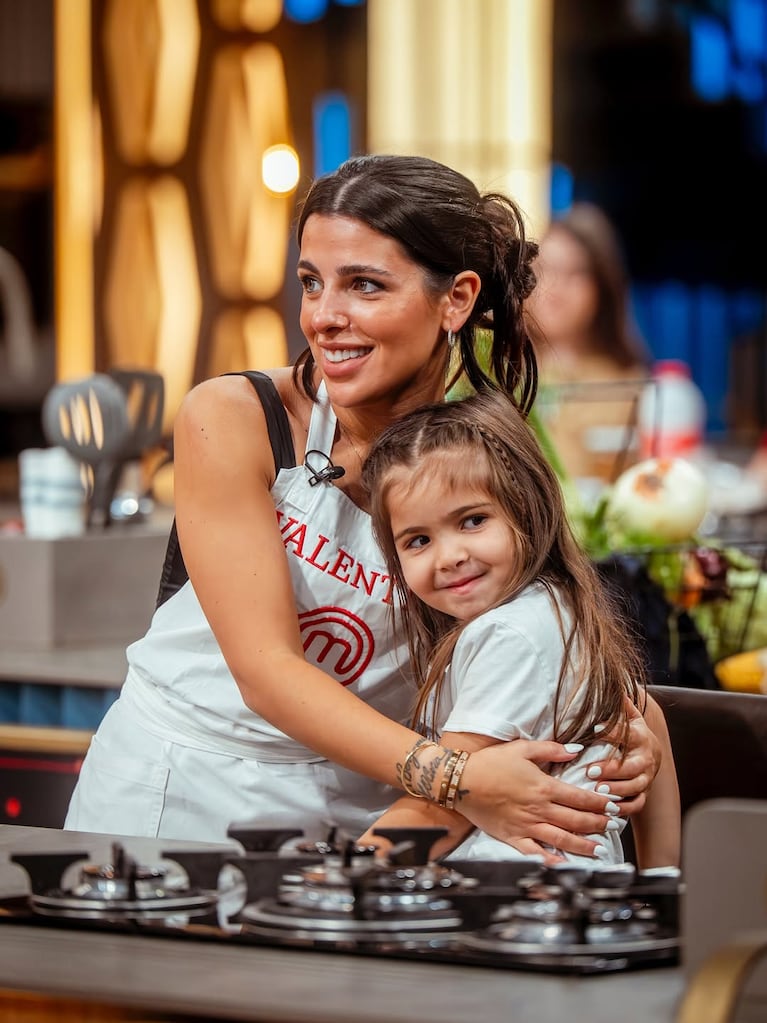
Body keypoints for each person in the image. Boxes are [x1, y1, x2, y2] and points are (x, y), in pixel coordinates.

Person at [64, 154, 666, 856]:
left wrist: (629, 729)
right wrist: (457, 776)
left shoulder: (483, 457)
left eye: (365, 285)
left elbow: (548, 629)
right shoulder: (233, 416)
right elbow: (267, 672)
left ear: (456, 298)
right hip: (173, 792)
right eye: (311, 283)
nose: (324, 317)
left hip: (369, 812)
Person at [358, 389, 680, 868]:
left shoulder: (508, 634)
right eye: (418, 540)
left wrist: (344, 873)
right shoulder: (553, 608)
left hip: (516, 891)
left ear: (526, 510)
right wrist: (662, 884)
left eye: (472, 521)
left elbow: (443, 809)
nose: (449, 557)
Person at [526, 202, 651, 488]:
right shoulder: (500, 371)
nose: (554, 287)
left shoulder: (625, 381)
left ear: (602, 286)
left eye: (573, 273)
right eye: (543, 270)